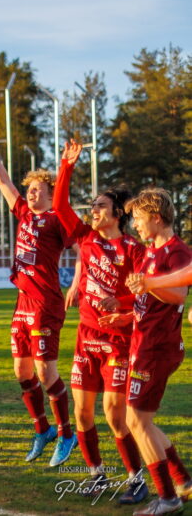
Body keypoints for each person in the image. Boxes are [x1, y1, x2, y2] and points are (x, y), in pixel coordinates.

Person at [53, 140, 148, 503]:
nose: (93, 210)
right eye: (92, 205)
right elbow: (60, 205)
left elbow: (147, 293)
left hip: (119, 341)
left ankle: (136, 478)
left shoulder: (133, 250)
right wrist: (66, 166)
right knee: (81, 413)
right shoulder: (86, 238)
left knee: (114, 414)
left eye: (101, 206)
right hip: (86, 338)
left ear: (118, 214)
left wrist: (120, 302)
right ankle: (96, 475)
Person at [0, 120, 78, 466]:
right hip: (22, 303)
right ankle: (43, 429)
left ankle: (67, 433)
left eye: (38, 190)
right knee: (22, 372)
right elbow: (2, 181)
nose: (31, 194)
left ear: (51, 194)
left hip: (46, 303)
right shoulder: (22, 211)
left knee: (45, 372)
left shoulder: (57, 219)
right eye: (30, 190)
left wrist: (76, 283)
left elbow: (83, 249)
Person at [122, 189, 192, 515]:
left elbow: (179, 294)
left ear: (156, 217)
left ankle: (167, 497)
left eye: (138, 218)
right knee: (142, 422)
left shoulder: (176, 251)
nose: (135, 224)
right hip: (145, 344)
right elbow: (150, 300)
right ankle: (182, 482)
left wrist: (149, 284)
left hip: (156, 348)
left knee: (136, 421)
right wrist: (126, 314)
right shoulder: (152, 252)